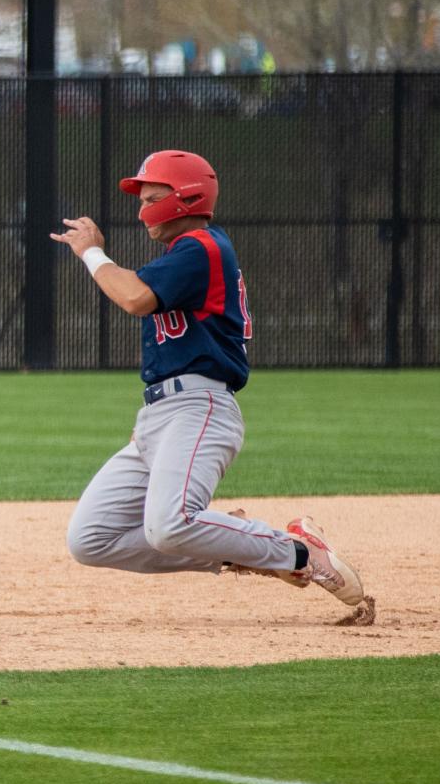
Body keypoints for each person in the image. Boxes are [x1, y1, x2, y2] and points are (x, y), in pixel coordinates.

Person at [50, 151, 375, 625]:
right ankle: (235, 545)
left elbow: (135, 297)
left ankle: (299, 554)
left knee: (169, 524)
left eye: (153, 197)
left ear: (187, 198)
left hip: (198, 406)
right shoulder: (185, 254)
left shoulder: (201, 247)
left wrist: (91, 251)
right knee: (90, 538)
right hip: (160, 416)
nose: (142, 210)